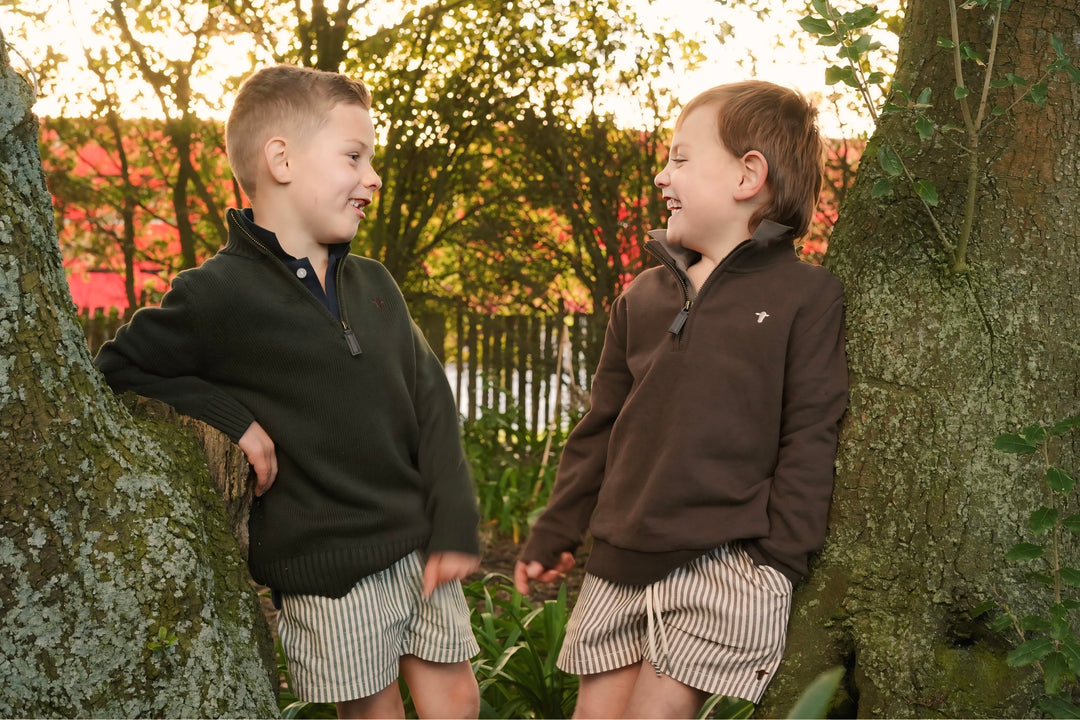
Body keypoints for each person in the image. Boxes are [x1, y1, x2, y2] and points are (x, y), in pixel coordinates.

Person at [95, 64, 481, 719]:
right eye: (354, 156)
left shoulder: (376, 285)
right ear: (281, 160)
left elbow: (433, 406)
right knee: (375, 712)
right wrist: (231, 418)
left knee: (459, 701)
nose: (373, 177)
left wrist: (455, 522)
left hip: (417, 545)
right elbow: (116, 368)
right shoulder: (217, 293)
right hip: (326, 569)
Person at [514, 80, 849, 719]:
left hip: (723, 562)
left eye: (680, 158)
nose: (662, 175)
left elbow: (811, 430)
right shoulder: (642, 296)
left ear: (749, 174)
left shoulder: (805, 297)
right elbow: (599, 425)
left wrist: (781, 555)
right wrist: (556, 530)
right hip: (619, 558)